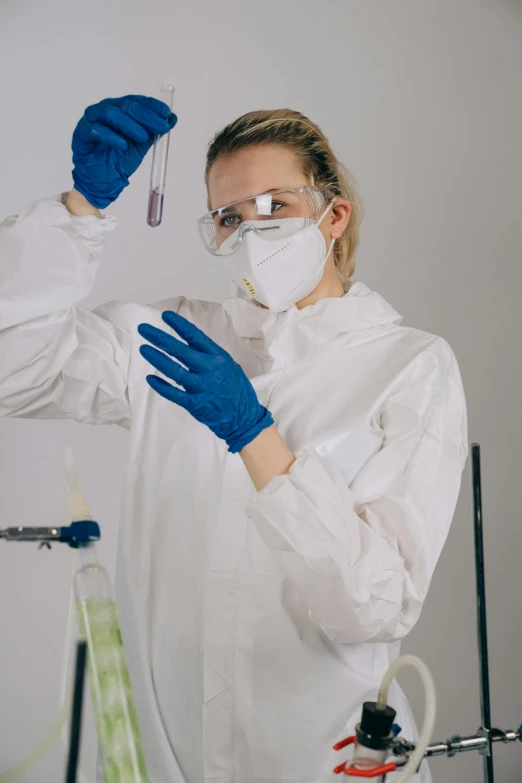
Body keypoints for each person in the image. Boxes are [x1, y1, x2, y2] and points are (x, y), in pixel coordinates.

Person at [0, 95, 468, 783]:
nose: (253, 230)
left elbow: (374, 602)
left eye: (275, 206)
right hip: (174, 761)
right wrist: (79, 210)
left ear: (333, 216)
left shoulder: (408, 366)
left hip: (326, 761)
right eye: (230, 217)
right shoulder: (177, 342)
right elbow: (14, 367)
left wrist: (257, 437)